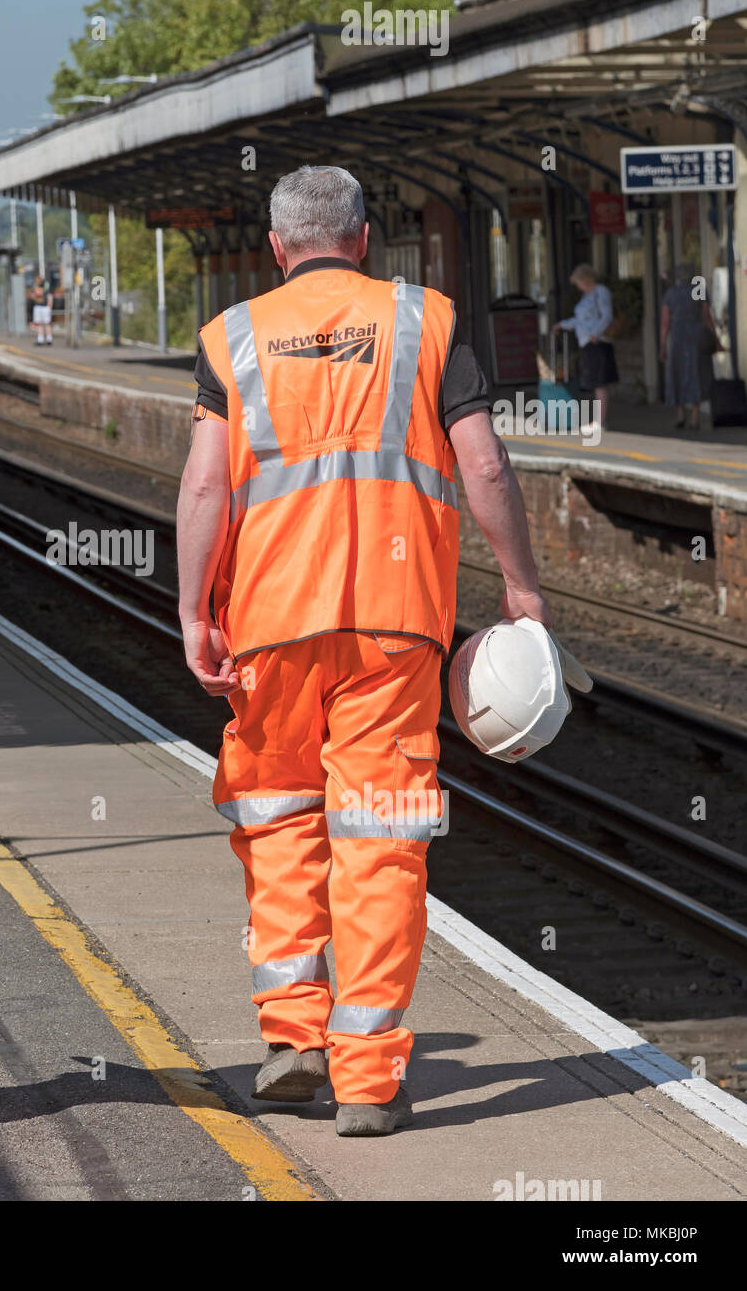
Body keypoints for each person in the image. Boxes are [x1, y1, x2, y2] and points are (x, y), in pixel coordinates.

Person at [178, 165, 550, 1136]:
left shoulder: (233, 338)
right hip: (396, 625)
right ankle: (371, 1080)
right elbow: (484, 462)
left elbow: (206, 490)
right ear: (366, 238)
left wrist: (191, 611)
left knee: (280, 818)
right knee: (381, 836)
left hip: (268, 623)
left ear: (274, 248)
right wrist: (521, 585)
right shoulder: (427, 321)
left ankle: (295, 1038)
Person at [551, 263, 615, 439]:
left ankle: (600, 422)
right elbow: (579, 320)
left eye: (578, 281)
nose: (577, 285)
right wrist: (562, 324)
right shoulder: (586, 296)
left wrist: (596, 333)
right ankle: (598, 420)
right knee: (595, 381)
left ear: (585, 279)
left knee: (600, 382)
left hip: (597, 341)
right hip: (587, 342)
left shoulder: (600, 292)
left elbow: (607, 315)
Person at [660, 264, 721, 430]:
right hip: (697, 338)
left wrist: (662, 346)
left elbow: (665, 323)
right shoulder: (698, 290)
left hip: (678, 338)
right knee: (696, 374)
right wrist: (716, 339)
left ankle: (680, 415)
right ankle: (695, 417)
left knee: (677, 373)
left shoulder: (671, 294)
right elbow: (707, 317)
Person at [31, 274, 53, 345]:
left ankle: (49, 339)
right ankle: (40, 339)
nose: (36, 281)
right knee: (39, 324)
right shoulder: (35, 286)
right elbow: (33, 295)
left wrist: (50, 303)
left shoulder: (46, 286)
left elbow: (50, 294)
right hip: (38, 306)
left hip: (45, 306)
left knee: (47, 323)